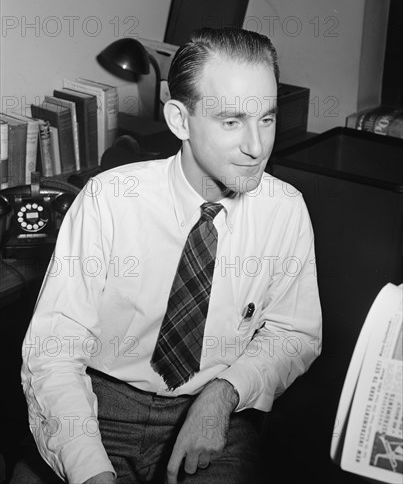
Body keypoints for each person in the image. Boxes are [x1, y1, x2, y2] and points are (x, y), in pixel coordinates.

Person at [18, 27, 322, 484]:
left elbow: (293, 334)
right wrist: (90, 470)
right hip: (98, 405)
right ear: (180, 120)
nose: (257, 148)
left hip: (213, 405)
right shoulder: (109, 200)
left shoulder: (286, 211)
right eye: (231, 121)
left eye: (267, 119)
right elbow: (54, 352)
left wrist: (224, 393)